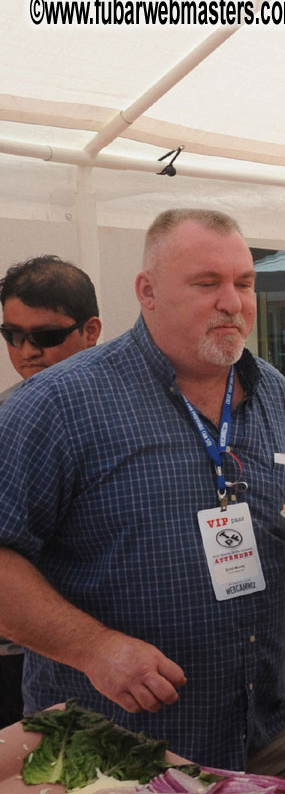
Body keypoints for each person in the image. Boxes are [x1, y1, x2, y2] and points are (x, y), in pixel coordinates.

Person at [0, 210, 285, 786]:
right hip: (119, 741)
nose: (232, 302)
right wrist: (96, 650)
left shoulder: (274, 392)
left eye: (244, 283)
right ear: (148, 291)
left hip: (277, 718)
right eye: (207, 284)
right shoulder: (56, 405)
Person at [0, 255, 102, 727]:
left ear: (92, 331)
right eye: (12, 336)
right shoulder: (8, 415)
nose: (27, 350)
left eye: (46, 336)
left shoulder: (126, 413)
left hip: (101, 662)